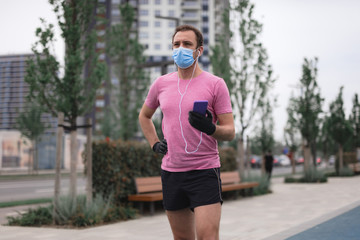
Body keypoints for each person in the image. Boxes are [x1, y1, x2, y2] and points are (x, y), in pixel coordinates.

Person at [138, 24, 235, 240]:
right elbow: (144, 116)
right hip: (172, 172)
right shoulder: (161, 84)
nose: (180, 48)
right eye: (176, 44)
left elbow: (230, 132)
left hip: (204, 171)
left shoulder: (215, 84)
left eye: (187, 44)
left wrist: (210, 128)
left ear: (199, 50)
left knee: (207, 236)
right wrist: (154, 143)